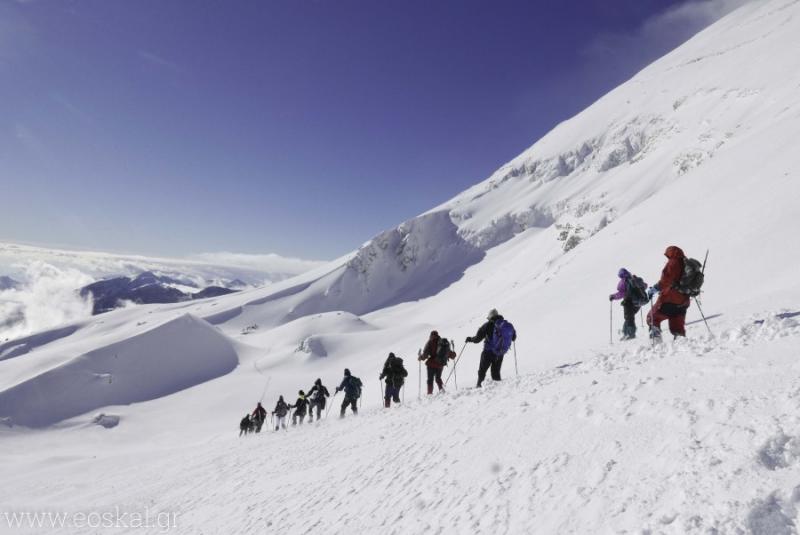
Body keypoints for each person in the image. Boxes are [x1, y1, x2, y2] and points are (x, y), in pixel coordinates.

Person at [647, 245, 691, 340]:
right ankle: (681, 343)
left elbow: (666, 280)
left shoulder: (673, 263)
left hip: (670, 299)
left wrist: (655, 288)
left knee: (652, 316)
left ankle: (656, 341)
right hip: (684, 300)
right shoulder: (685, 263)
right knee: (676, 322)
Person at [466, 309, 516, 388]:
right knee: (496, 373)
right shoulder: (506, 325)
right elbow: (513, 337)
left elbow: (477, 339)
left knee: (482, 371)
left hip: (488, 353)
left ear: (490, 317)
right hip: (500, 353)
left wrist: (470, 339)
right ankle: (498, 391)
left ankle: (479, 387)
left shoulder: (487, 325)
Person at [609, 268, 647, 340]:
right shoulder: (635, 279)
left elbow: (621, 294)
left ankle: (631, 334)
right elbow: (645, 286)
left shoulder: (623, 282)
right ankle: (626, 333)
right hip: (638, 303)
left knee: (629, 318)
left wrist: (613, 296)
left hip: (629, 302)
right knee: (629, 317)